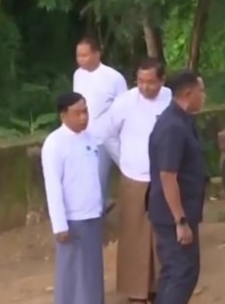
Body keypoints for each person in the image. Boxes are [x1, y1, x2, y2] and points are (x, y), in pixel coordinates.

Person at [103, 59, 171, 303]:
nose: (144, 87)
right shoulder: (124, 103)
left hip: (164, 177)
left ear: (162, 80)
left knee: (162, 234)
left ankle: (159, 287)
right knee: (134, 235)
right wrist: (124, 161)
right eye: (140, 81)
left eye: (150, 82)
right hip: (134, 177)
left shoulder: (171, 99)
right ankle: (135, 291)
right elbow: (108, 136)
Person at [147, 70, 207, 304]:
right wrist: (180, 221)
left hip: (180, 210)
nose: (204, 96)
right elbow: (167, 175)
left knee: (176, 271)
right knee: (182, 273)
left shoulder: (183, 120)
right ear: (189, 93)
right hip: (172, 214)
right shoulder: (172, 126)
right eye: (201, 91)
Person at [41, 92, 105, 304]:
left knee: (92, 269)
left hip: (93, 214)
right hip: (72, 219)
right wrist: (60, 224)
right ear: (63, 115)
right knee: (71, 270)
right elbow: (53, 185)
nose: (83, 117)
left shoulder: (90, 139)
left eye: (85, 111)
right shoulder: (55, 143)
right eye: (77, 113)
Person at [73, 37, 128, 203]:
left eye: (85, 55)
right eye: (78, 56)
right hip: (83, 137)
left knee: (98, 183)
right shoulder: (78, 75)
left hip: (104, 138)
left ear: (97, 54)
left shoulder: (114, 78)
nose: (81, 60)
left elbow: (125, 109)